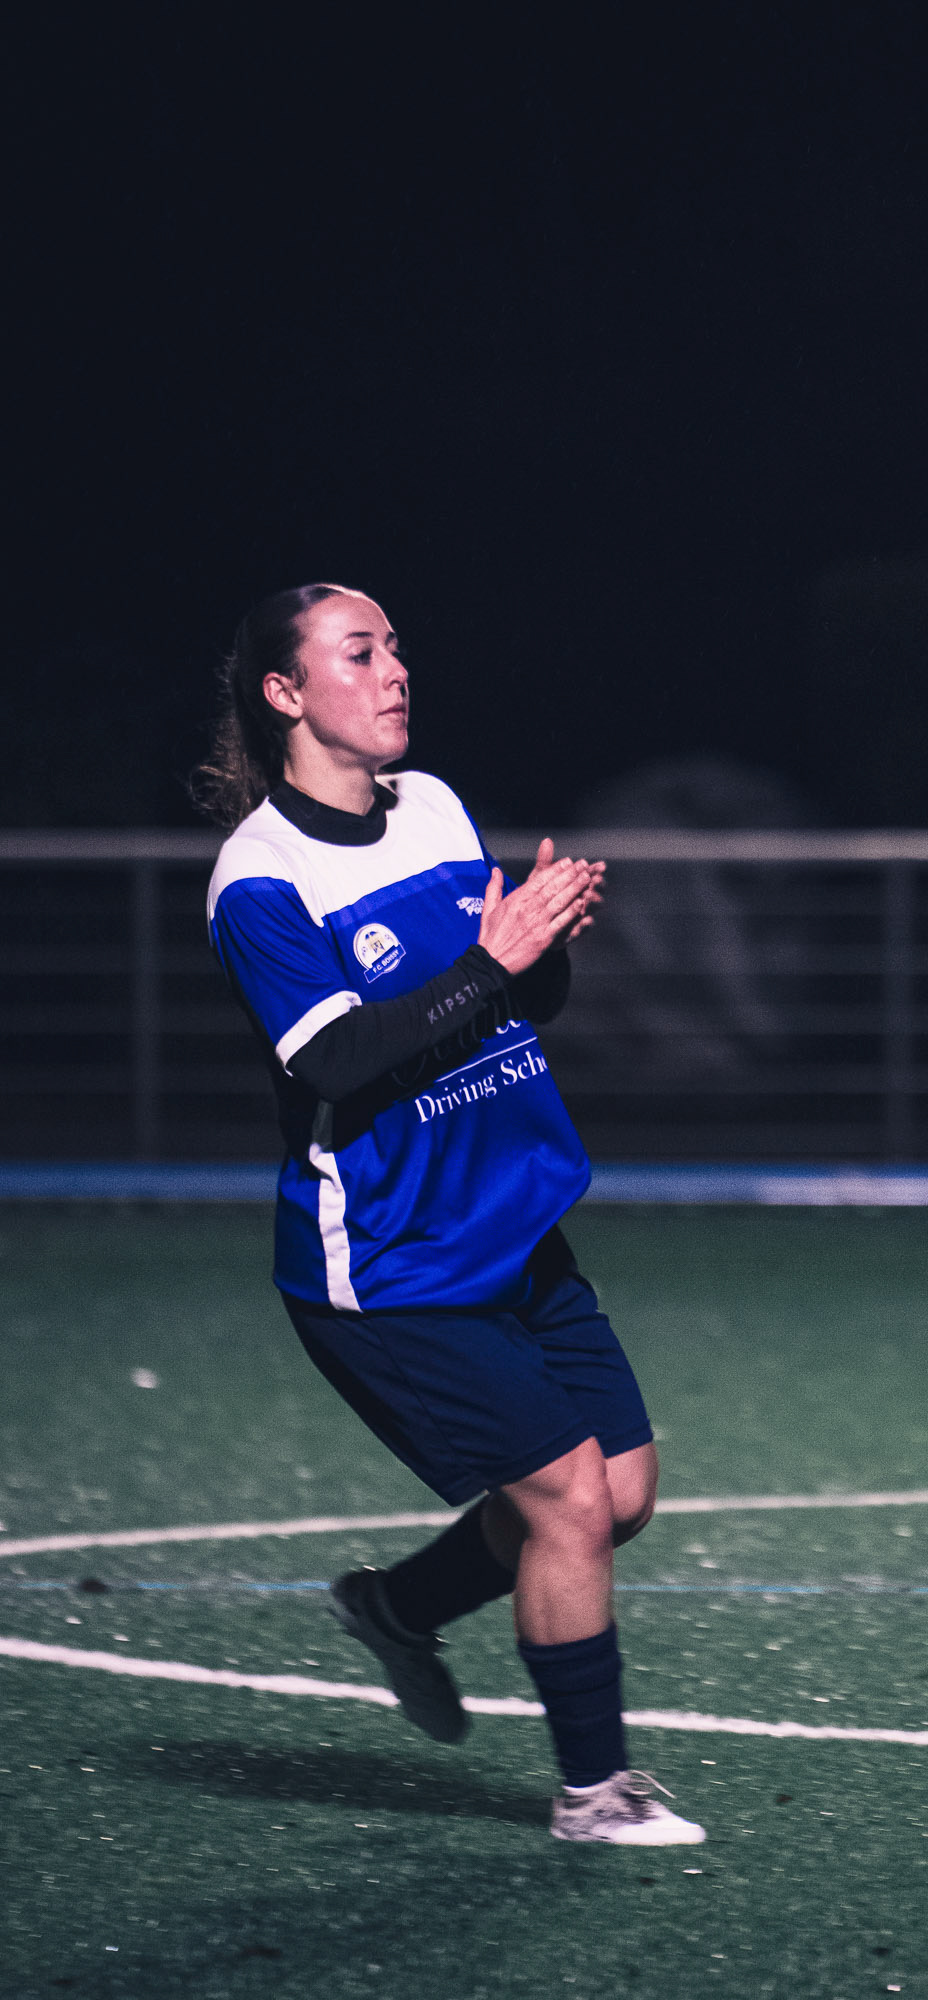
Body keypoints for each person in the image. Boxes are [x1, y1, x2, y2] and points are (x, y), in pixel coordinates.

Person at [195, 581, 703, 1845]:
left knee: (621, 1490)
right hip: (392, 1259)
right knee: (568, 1501)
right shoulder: (260, 877)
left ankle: (398, 1608)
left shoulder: (430, 805)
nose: (395, 670)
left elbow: (518, 1001)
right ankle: (595, 1793)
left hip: (512, 1220)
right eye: (360, 652)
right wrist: (493, 959)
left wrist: (543, 943)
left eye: (397, 648)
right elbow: (334, 1060)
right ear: (285, 691)